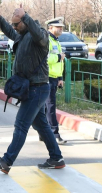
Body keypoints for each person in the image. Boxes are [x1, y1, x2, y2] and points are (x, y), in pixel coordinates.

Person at [0, 6, 65, 174]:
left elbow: (39, 36)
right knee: (42, 126)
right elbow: (9, 31)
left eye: (17, 24)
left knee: (21, 125)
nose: (14, 27)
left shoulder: (39, 36)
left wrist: (26, 16)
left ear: (25, 22)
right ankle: (56, 158)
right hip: (31, 88)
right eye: (13, 25)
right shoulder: (22, 36)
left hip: (37, 89)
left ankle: (6, 161)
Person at [44, 17, 67, 145]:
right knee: (50, 106)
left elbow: (59, 63)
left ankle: (45, 133)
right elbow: (44, 58)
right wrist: (59, 57)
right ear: (50, 27)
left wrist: (60, 78)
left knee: (47, 107)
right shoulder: (47, 40)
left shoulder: (56, 41)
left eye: (61, 27)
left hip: (53, 78)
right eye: (58, 27)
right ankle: (54, 134)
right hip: (47, 77)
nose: (61, 29)